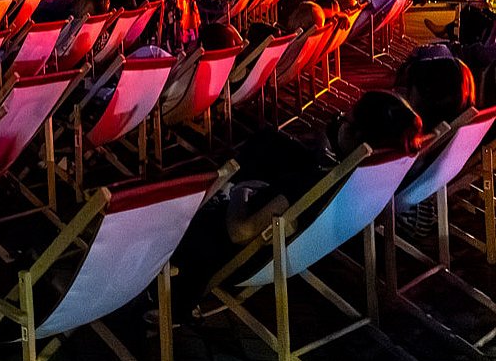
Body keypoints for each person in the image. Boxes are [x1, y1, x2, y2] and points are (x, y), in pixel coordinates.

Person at [169, 91, 423, 319]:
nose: (340, 121)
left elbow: (240, 231)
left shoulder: (310, 183)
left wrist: (240, 190)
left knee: (263, 148)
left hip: (227, 249)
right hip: (305, 237)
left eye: (345, 119)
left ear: (355, 134)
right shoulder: (360, 178)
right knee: (273, 143)